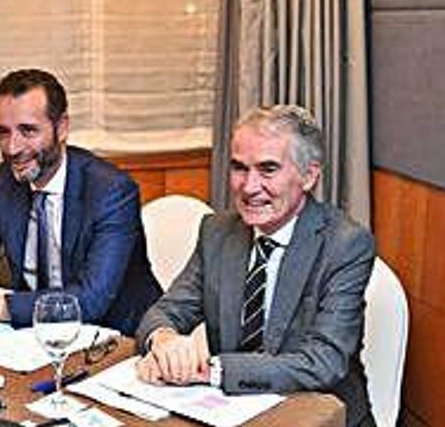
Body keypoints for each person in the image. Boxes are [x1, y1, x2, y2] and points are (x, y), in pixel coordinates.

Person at [135, 105, 375, 426]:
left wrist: (207, 369)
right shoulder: (217, 232)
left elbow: (323, 362)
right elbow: (165, 311)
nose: (248, 187)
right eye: (239, 168)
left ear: (309, 175)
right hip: (232, 412)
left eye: (268, 169)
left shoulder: (345, 244)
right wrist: (164, 341)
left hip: (319, 415)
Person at [0, 69, 161, 335]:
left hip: (113, 338)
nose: (12, 148)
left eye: (27, 131)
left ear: (61, 128)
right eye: (3, 132)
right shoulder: (7, 179)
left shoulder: (111, 191)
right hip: (33, 334)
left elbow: (91, 299)